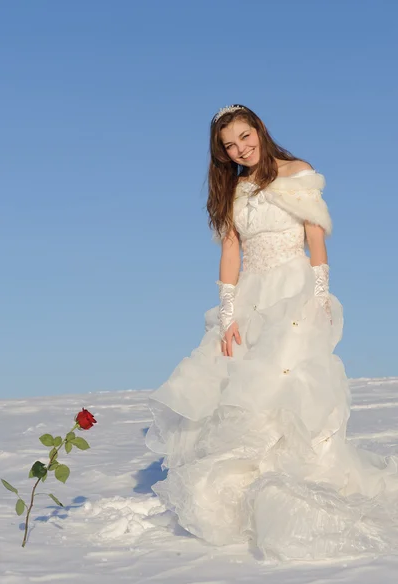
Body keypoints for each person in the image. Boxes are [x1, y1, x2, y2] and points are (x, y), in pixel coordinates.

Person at [145, 105, 398, 560]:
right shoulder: (233, 190)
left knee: (286, 381)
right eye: (230, 144)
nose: (240, 148)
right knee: (237, 383)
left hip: (293, 291)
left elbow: (316, 240)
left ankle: (297, 481)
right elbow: (230, 253)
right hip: (249, 298)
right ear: (222, 153)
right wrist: (227, 314)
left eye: (245, 136)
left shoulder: (297, 174)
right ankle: (246, 487)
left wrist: (320, 297)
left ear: (258, 131)